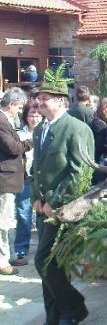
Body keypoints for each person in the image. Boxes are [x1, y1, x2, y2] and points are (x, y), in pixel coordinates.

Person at [29, 80, 95, 325]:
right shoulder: (40, 130)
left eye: (46, 97)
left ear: (61, 101)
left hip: (64, 210)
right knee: (51, 264)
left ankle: (74, 309)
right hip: (42, 208)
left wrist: (53, 202)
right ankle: (54, 317)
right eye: (39, 97)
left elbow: (81, 173)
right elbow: (36, 168)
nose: (39, 102)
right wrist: (36, 197)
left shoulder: (76, 129)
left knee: (44, 261)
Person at [0, 88, 32, 275]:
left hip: (7, 179)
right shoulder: (1, 121)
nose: (20, 112)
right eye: (19, 108)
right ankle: (3, 262)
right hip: (4, 180)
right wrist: (30, 142)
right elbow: (12, 147)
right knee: (3, 224)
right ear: (11, 104)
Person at [10, 104, 43, 266]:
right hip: (25, 177)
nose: (34, 119)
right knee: (23, 213)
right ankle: (21, 247)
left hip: (42, 179)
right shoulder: (20, 134)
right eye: (31, 115)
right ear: (25, 117)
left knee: (41, 213)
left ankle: (44, 246)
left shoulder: (46, 132)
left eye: (37, 115)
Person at [90, 97, 107, 185]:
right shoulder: (100, 125)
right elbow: (99, 146)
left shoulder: (97, 121)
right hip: (98, 160)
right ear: (103, 109)